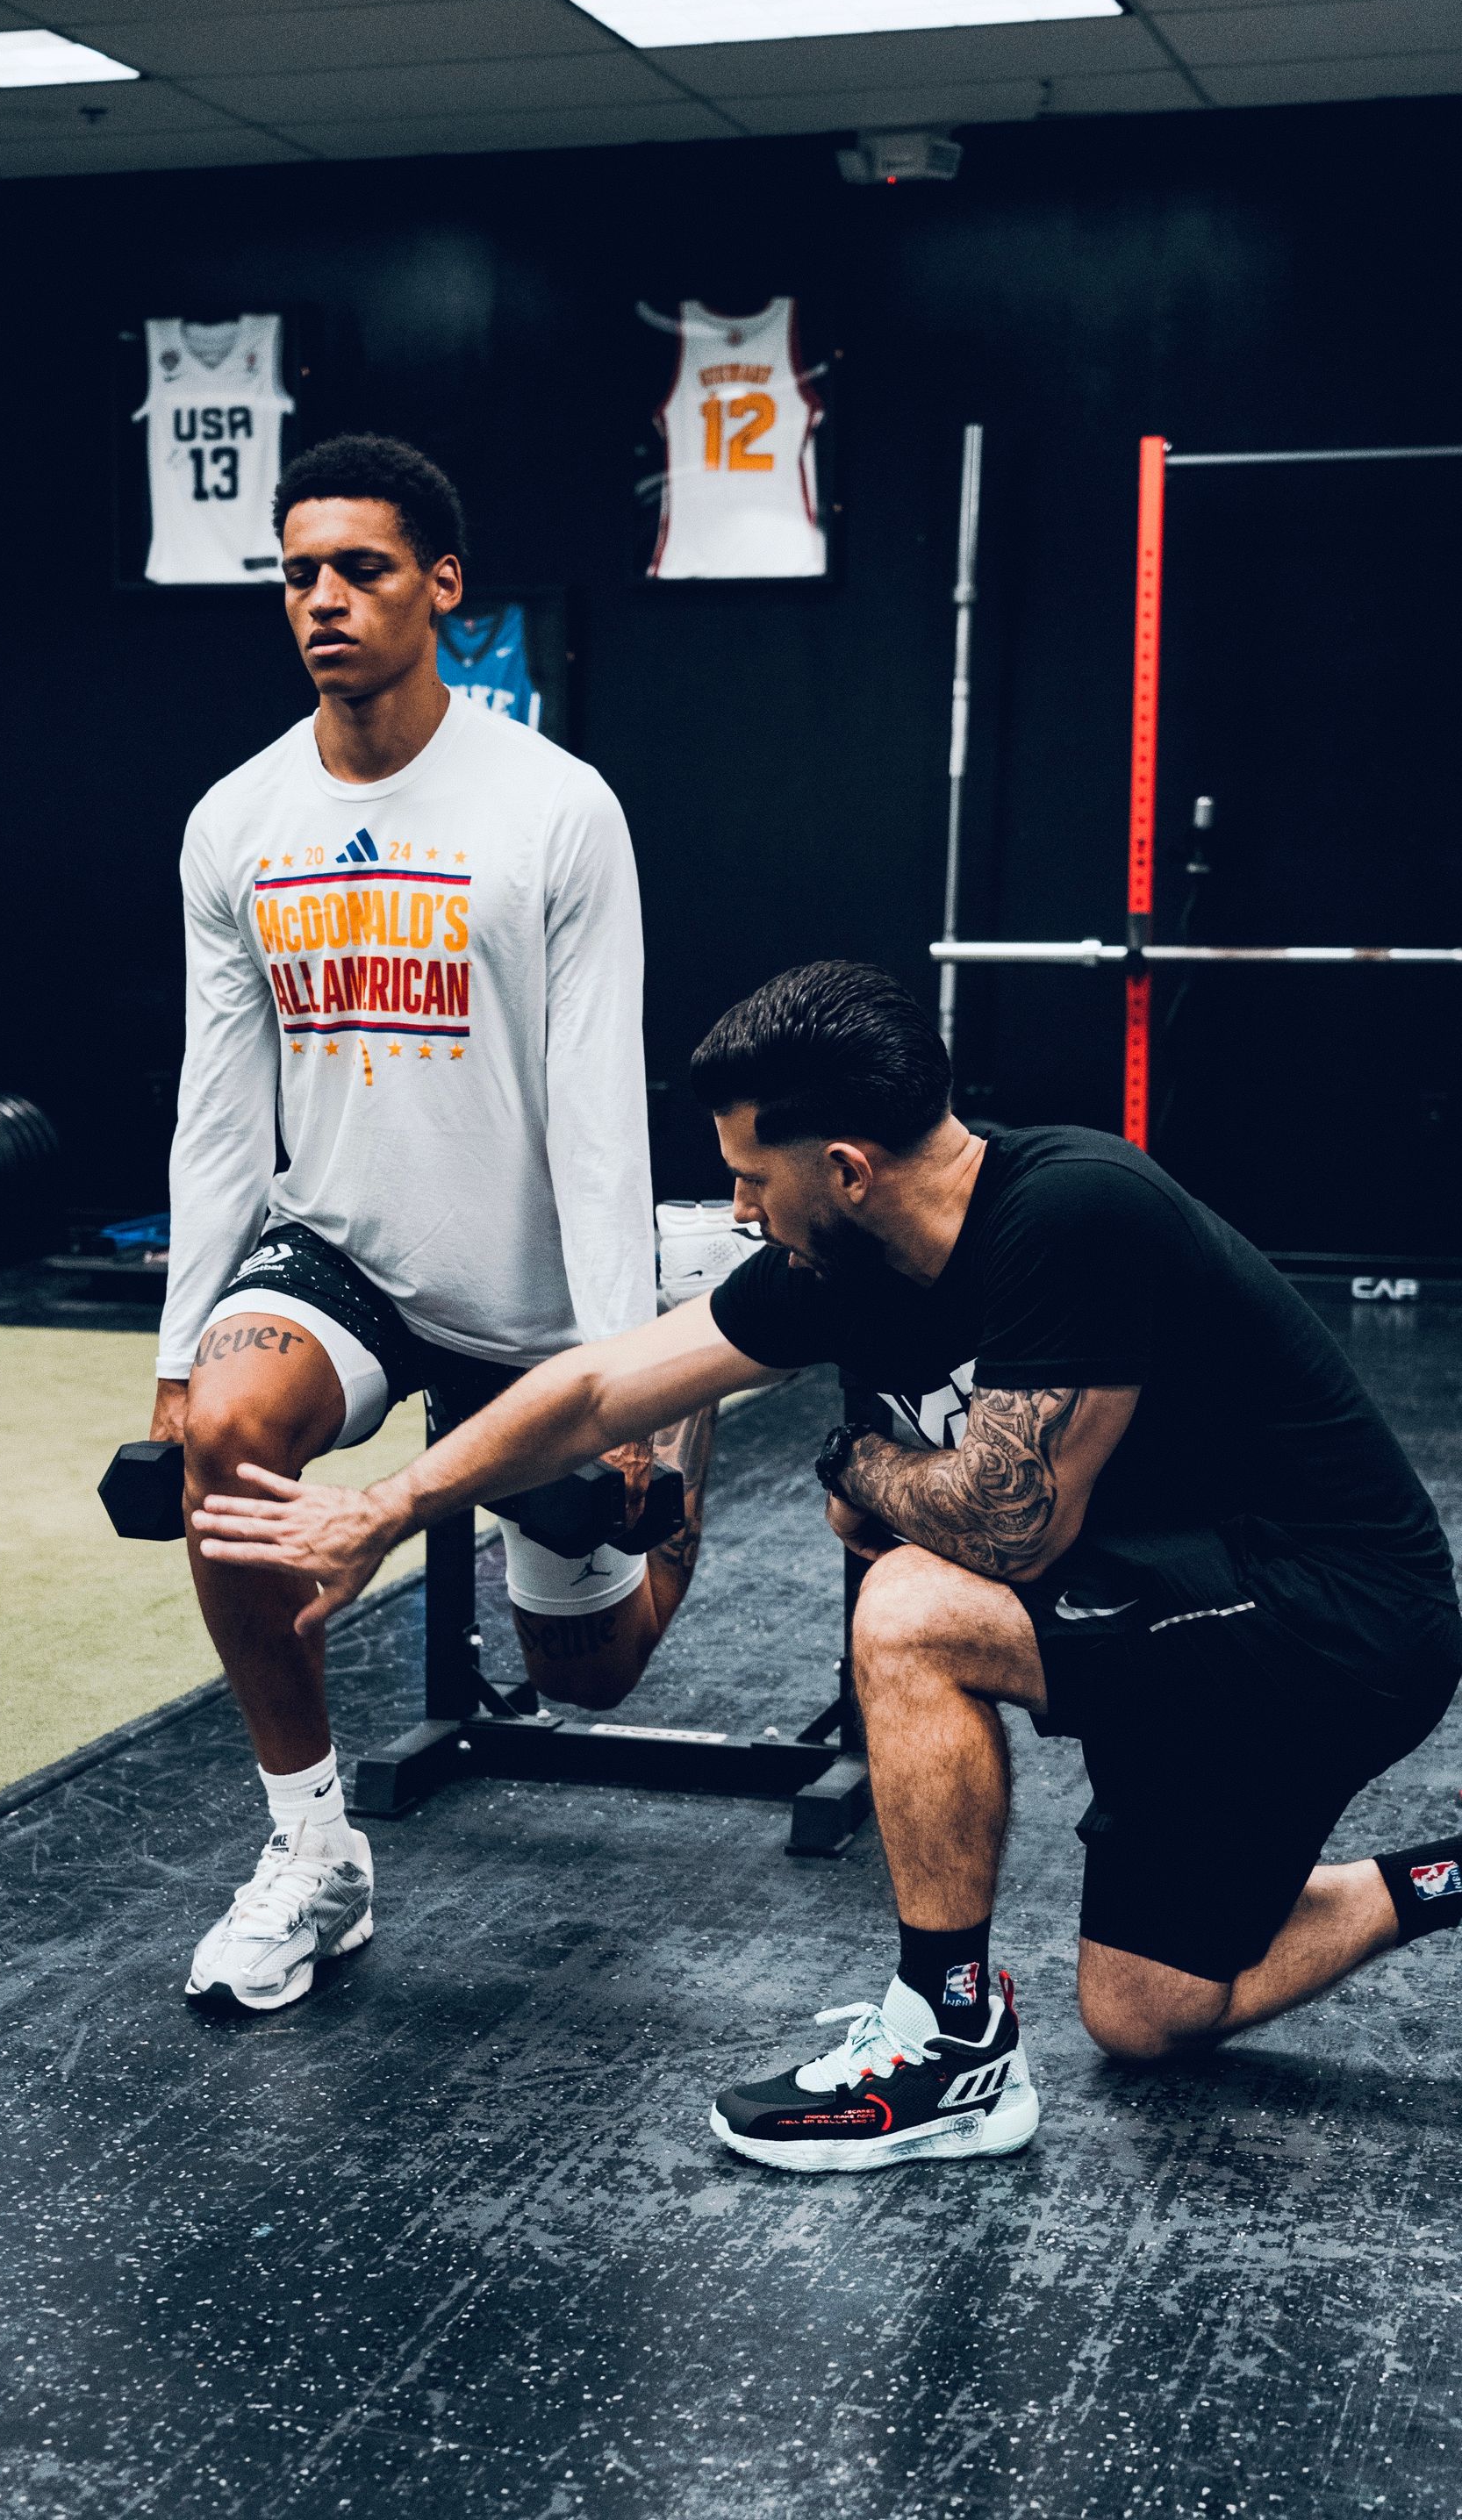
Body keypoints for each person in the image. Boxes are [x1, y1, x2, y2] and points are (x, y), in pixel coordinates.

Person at [193, 958, 1462, 2171]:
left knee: (913, 1611)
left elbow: (1014, 1528)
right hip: (1172, 1613)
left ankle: (949, 2045)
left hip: (1332, 1618)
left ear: (845, 1168)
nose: (741, 1208)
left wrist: (864, 1473)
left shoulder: (1074, 1212)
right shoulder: (847, 1265)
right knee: (1147, 2011)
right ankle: (1448, 1874)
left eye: (751, 1176)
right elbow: (592, 1389)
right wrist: (388, 1509)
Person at [155, 431, 715, 2015]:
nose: (324, 600)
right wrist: (180, 1354)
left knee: (579, 1680)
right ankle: (312, 1850)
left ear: (443, 591)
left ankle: (698, 1423)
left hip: (531, 1302)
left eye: (363, 569)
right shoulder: (236, 821)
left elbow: (606, 1115)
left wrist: (631, 1388)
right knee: (233, 1441)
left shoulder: (553, 809)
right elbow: (215, 1107)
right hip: (342, 1259)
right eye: (299, 573)